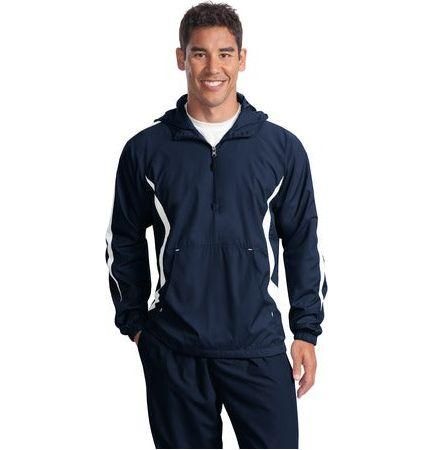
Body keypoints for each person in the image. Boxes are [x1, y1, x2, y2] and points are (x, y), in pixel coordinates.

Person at [105, 2, 327, 448]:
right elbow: (123, 239)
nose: (213, 67)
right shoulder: (146, 150)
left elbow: (303, 240)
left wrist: (306, 330)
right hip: (175, 348)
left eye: (225, 54)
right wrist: (135, 322)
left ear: (241, 59)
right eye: (200, 53)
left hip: (257, 344)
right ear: (181, 58)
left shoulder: (281, 148)